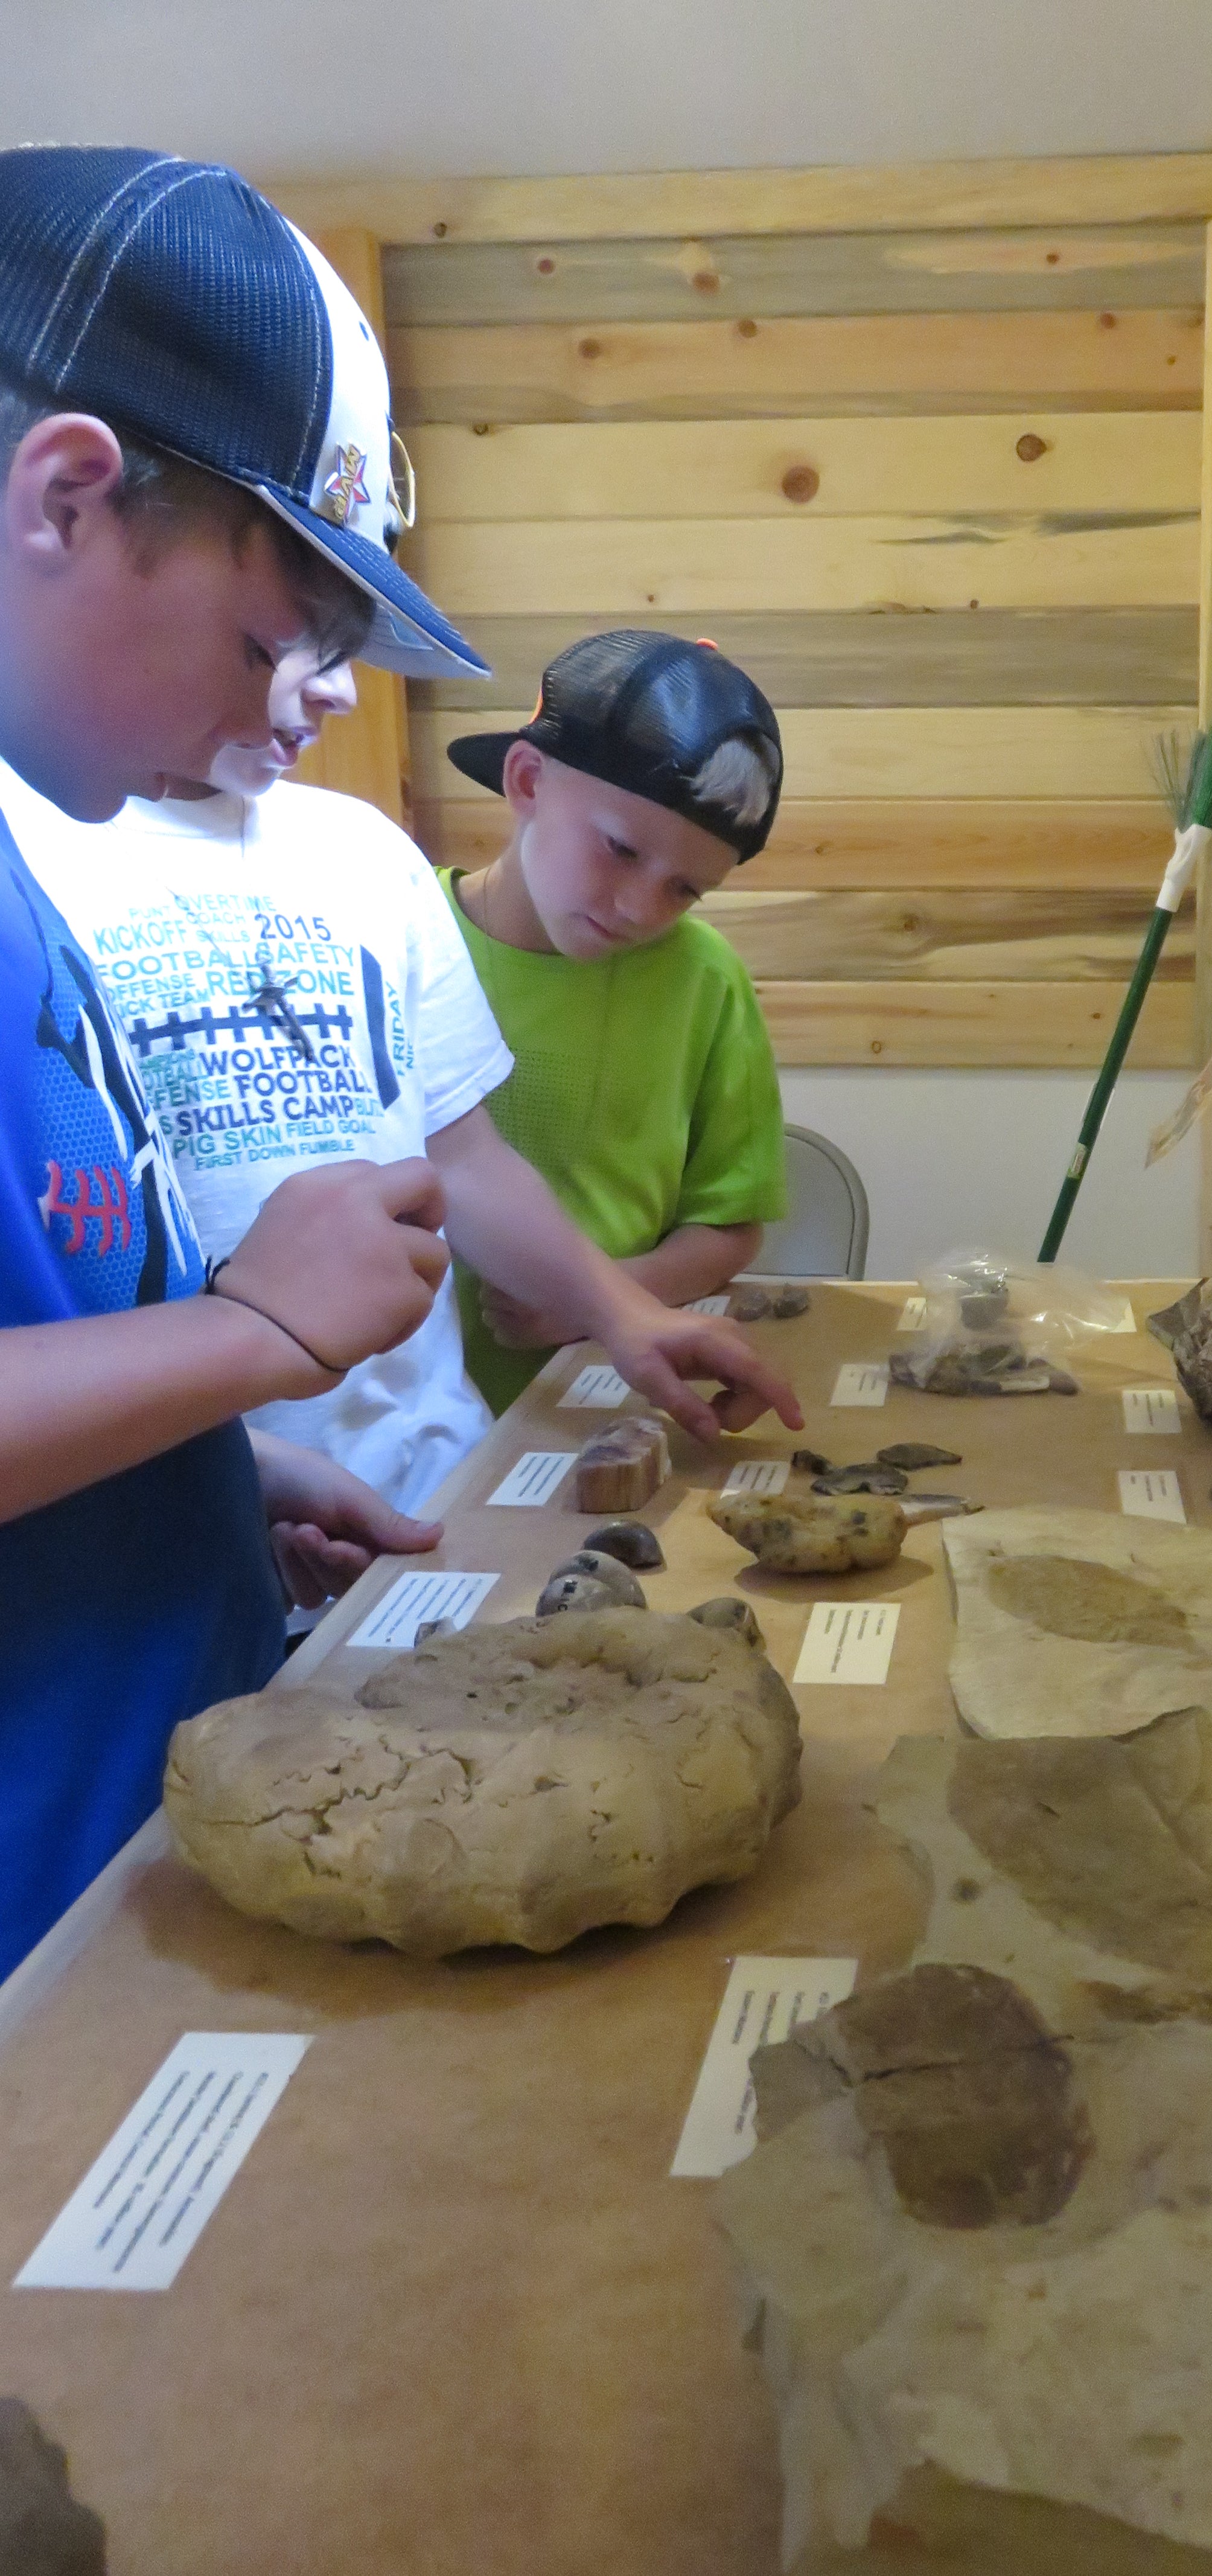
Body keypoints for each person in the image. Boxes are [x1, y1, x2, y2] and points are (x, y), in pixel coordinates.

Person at [0, 147, 795, 1982]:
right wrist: (256, 1342)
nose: (330, 694)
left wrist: (203, 1467)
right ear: (66, 497)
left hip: (158, 1807)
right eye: (282, 632)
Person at [9, 630, 801, 1518]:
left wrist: (622, 1312)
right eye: (287, 632)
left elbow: (461, 1157)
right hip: (164, 1489)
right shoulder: (28, 854)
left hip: (429, 1477)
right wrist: (251, 1470)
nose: (343, 691)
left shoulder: (364, 852)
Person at [438, 631, 793, 1413]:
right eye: (621, 850)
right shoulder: (399, 940)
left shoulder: (704, 980)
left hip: (608, 1399)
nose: (640, 909)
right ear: (528, 779)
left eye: (685, 890)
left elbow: (730, 1225)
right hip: (406, 1432)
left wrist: (601, 1302)